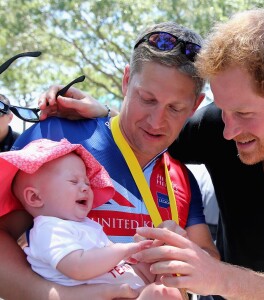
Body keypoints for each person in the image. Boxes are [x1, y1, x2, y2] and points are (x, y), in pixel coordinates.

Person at [35, 8, 264, 299]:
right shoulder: (216, 127)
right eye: (222, 110)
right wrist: (106, 113)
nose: (227, 132)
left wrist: (222, 279)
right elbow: (151, 133)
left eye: (243, 113)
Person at [0, 21, 219, 300]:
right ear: (127, 81)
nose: (156, 121)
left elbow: (210, 261)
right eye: (147, 99)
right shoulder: (55, 140)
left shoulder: (181, 176)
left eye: (175, 108)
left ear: (196, 106)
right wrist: (59, 295)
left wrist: (181, 249)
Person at [1, 138, 179, 299]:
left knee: (161, 271)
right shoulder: (47, 229)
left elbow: (111, 261)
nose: (86, 188)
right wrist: (125, 249)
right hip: (101, 293)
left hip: (121, 284)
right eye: (74, 181)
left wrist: (141, 255)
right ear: (35, 198)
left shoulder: (85, 225)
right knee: (160, 293)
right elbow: (78, 266)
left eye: (87, 182)